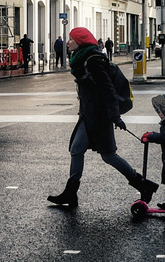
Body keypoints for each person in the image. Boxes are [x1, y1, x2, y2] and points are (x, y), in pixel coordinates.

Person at [46, 27, 156, 209]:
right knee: (76, 149)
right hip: (88, 116)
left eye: (71, 39)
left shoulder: (94, 60)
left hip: (100, 117)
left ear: (80, 42)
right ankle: (70, 193)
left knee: (109, 156)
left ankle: (143, 185)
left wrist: (115, 116)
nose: (68, 42)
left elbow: (108, 90)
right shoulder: (81, 59)